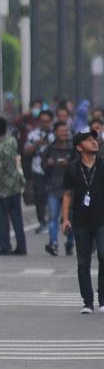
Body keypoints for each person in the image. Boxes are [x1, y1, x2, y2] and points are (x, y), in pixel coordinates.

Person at [61, 131, 104, 313]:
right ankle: (88, 302)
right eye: (88, 140)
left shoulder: (102, 165)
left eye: (94, 139)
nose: (93, 142)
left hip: (102, 218)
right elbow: (68, 194)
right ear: (79, 147)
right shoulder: (72, 168)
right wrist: (65, 219)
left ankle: (103, 299)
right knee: (83, 262)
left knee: (103, 255)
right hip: (80, 220)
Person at [0, 117, 28, 256]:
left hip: (2, 189)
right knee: (17, 217)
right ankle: (21, 246)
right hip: (15, 185)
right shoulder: (12, 141)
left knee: (3, 219)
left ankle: (5, 246)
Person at [41, 120, 76, 256]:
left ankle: (69, 243)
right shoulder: (50, 149)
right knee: (53, 217)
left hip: (69, 190)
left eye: (66, 131)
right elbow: (43, 166)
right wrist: (48, 164)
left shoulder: (73, 149)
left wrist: (69, 164)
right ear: (55, 132)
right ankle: (53, 243)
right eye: (61, 131)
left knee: (70, 218)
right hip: (53, 189)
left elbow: (78, 165)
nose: (64, 133)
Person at [24, 110, 54, 233]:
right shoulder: (33, 135)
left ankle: (53, 221)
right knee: (39, 197)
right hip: (37, 168)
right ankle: (42, 221)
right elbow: (26, 151)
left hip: (53, 170)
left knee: (52, 197)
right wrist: (37, 144)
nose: (45, 124)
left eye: (47, 121)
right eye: (43, 121)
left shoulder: (56, 134)